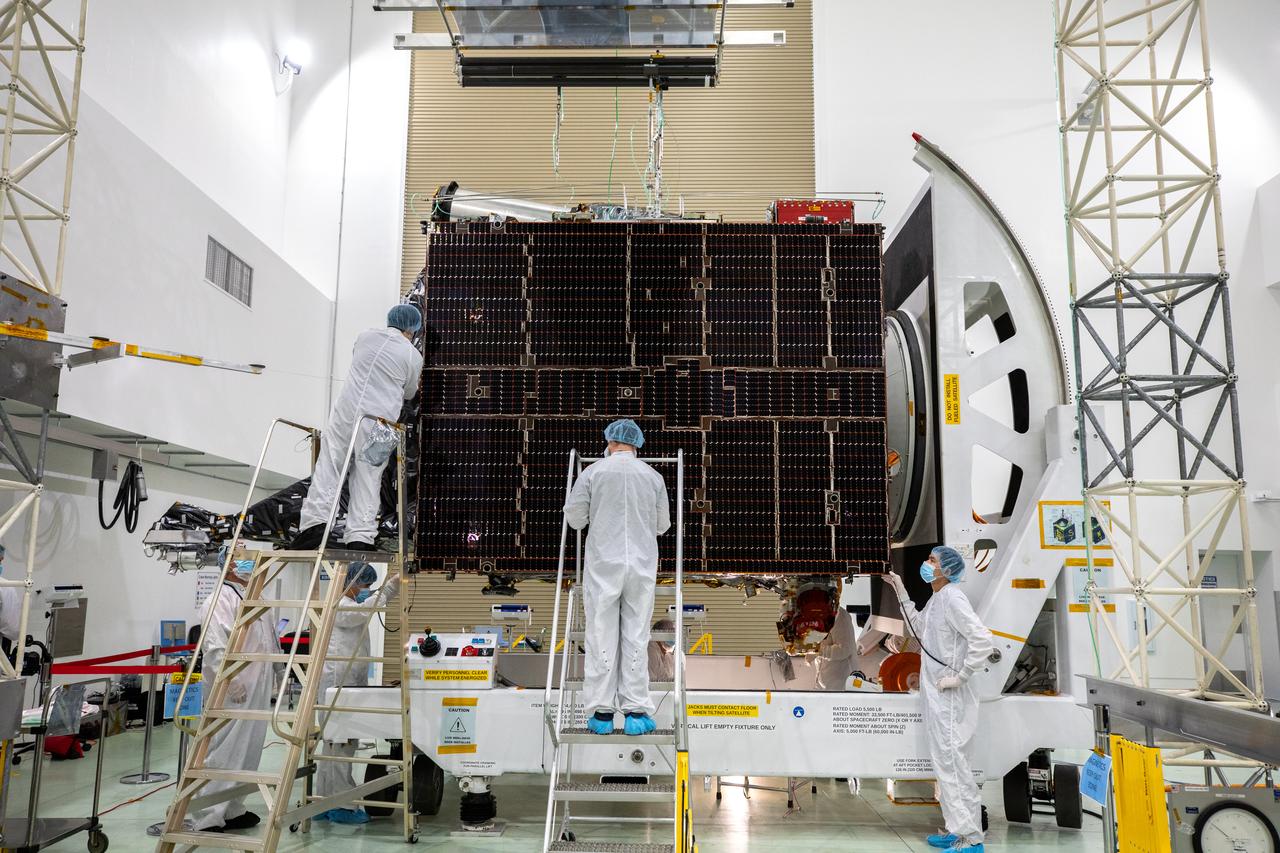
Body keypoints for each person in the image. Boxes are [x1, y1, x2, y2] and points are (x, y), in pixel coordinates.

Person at [563, 419, 671, 737]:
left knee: (601, 635)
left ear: (611, 443)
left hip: (603, 566)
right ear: (636, 444)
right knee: (636, 636)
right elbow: (663, 525)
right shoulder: (653, 477)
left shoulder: (593, 472)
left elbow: (574, 517)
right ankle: (636, 711)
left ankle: (602, 712)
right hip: (640, 565)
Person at [884, 547, 993, 853]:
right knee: (945, 766)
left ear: (947, 569)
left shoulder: (954, 598)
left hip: (950, 696)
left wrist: (961, 676)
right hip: (937, 695)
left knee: (954, 767)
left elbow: (982, 639)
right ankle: (955, 830)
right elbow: (919, 630)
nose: (927, 564)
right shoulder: (938, 599)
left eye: (933, 560)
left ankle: (970, 839)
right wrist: (900, 588)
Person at [293, 305, 424, 552]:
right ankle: (360, 537)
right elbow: (409, 392)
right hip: (381, 423)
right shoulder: (412, 355)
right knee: (369, 476)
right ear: (412, 328)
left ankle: (314, 526)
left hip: (347, 413)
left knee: (331, 465)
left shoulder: (365, 337)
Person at [192, 550, 277, 833]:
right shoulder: (219, 599)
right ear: (228, 564)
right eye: (243, 556)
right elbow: (215, 646)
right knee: (224, 748)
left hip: (258, 686)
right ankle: (208, 814)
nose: (251, 561)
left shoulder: (254, 596)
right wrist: (233, 681)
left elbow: (269, 639)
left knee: (249, 748)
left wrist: (277, 673)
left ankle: (233, 808)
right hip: (232, 687)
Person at [314, 561, 400, 824]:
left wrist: (387, 590)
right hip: (338, 685)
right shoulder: (341, 606)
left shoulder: (349, 605)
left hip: (344, 683)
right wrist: (386, 591)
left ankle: (323, 803)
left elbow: (365, 609)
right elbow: (363, 613)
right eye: (364, 585)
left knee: (333, 745)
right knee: (340, 745)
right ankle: (342, 805)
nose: (366, 590)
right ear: (350, 582)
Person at [815, 605, 858, 691]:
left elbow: (844, 649)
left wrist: (817, 651)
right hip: (825, 683)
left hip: (842, 685)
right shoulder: (818, 615)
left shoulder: (840, 616)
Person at [647, 618, 675, 684]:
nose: (674, 636)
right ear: (660, 634)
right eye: (671, 632)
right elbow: (661, 678)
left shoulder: (667, 653)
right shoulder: (650, 650)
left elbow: (670, 676)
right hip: (654, 691)